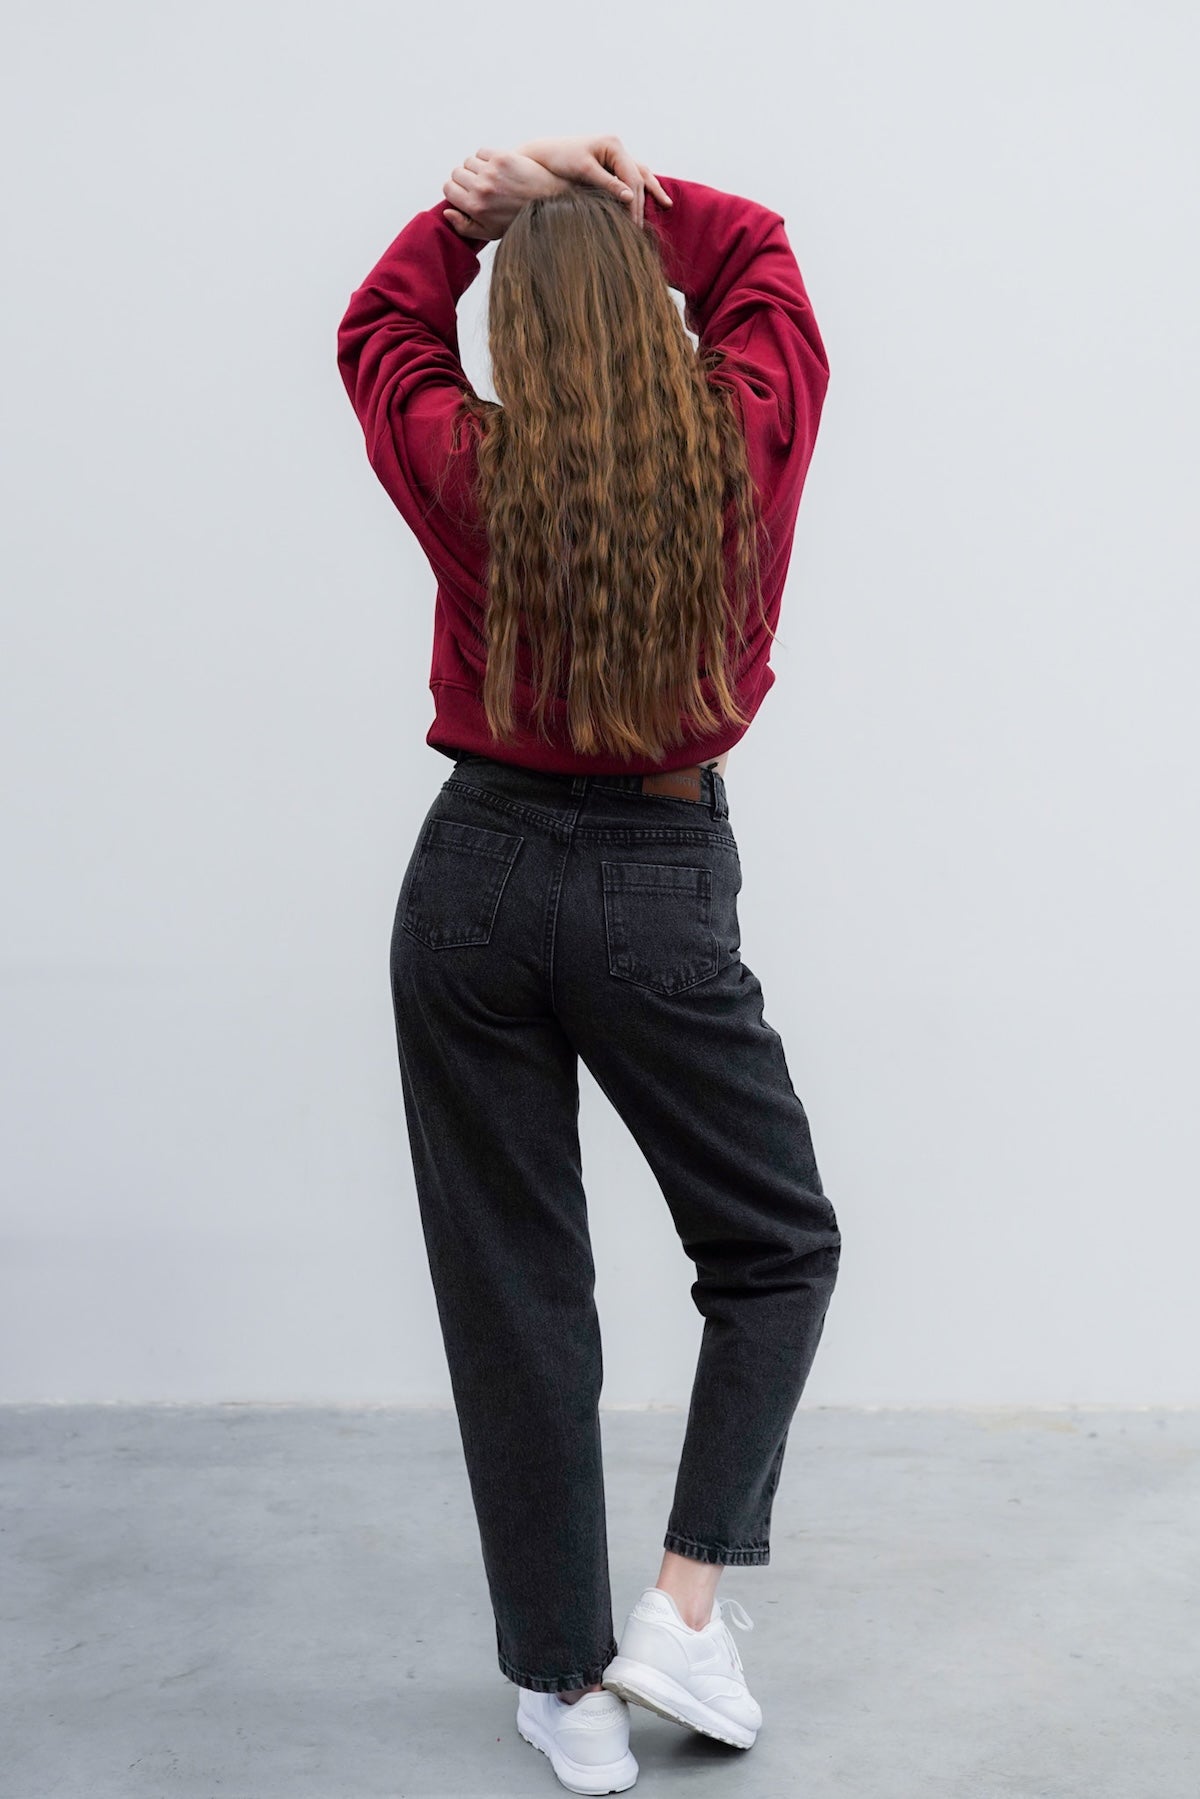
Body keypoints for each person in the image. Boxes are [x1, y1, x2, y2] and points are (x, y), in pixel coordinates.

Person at [337, 133, 842, 1794]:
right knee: (774, 1245)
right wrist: (642, 199)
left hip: (472, 880)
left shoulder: (463, 461)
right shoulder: (745, 437)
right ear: (654, 304)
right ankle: (681, 1613)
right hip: (658, 883)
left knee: (518, 1294)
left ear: (516, 334)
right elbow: (762, 263)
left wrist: (461, 220)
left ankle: (565, 1686)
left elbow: (376, 333)